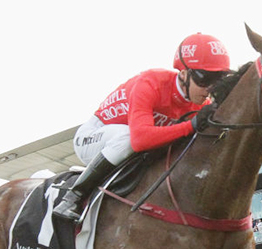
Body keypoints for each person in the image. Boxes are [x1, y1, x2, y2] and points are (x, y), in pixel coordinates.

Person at [53, 33, 231, 222]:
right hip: (92, 137)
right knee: (128, 136)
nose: (209, 89)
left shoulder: (200, 105)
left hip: (126, 148)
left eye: (218, 80)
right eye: (204, 79)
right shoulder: (150, 83)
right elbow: (139, 141)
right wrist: (190, 126)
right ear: (184, 74)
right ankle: (73, 197)